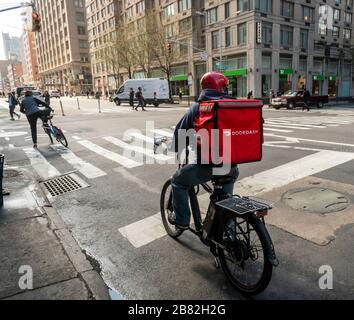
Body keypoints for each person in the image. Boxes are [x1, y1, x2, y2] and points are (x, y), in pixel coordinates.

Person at [168, 72, 240, 230]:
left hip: (208, 167)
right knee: (226, 202)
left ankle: (182, 220)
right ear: (222, 87)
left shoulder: (198, 108)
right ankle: (228, 235)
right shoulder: (233, 106)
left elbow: (180, 134)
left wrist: (178, 150)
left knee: (177, 181)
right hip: (232, 166)